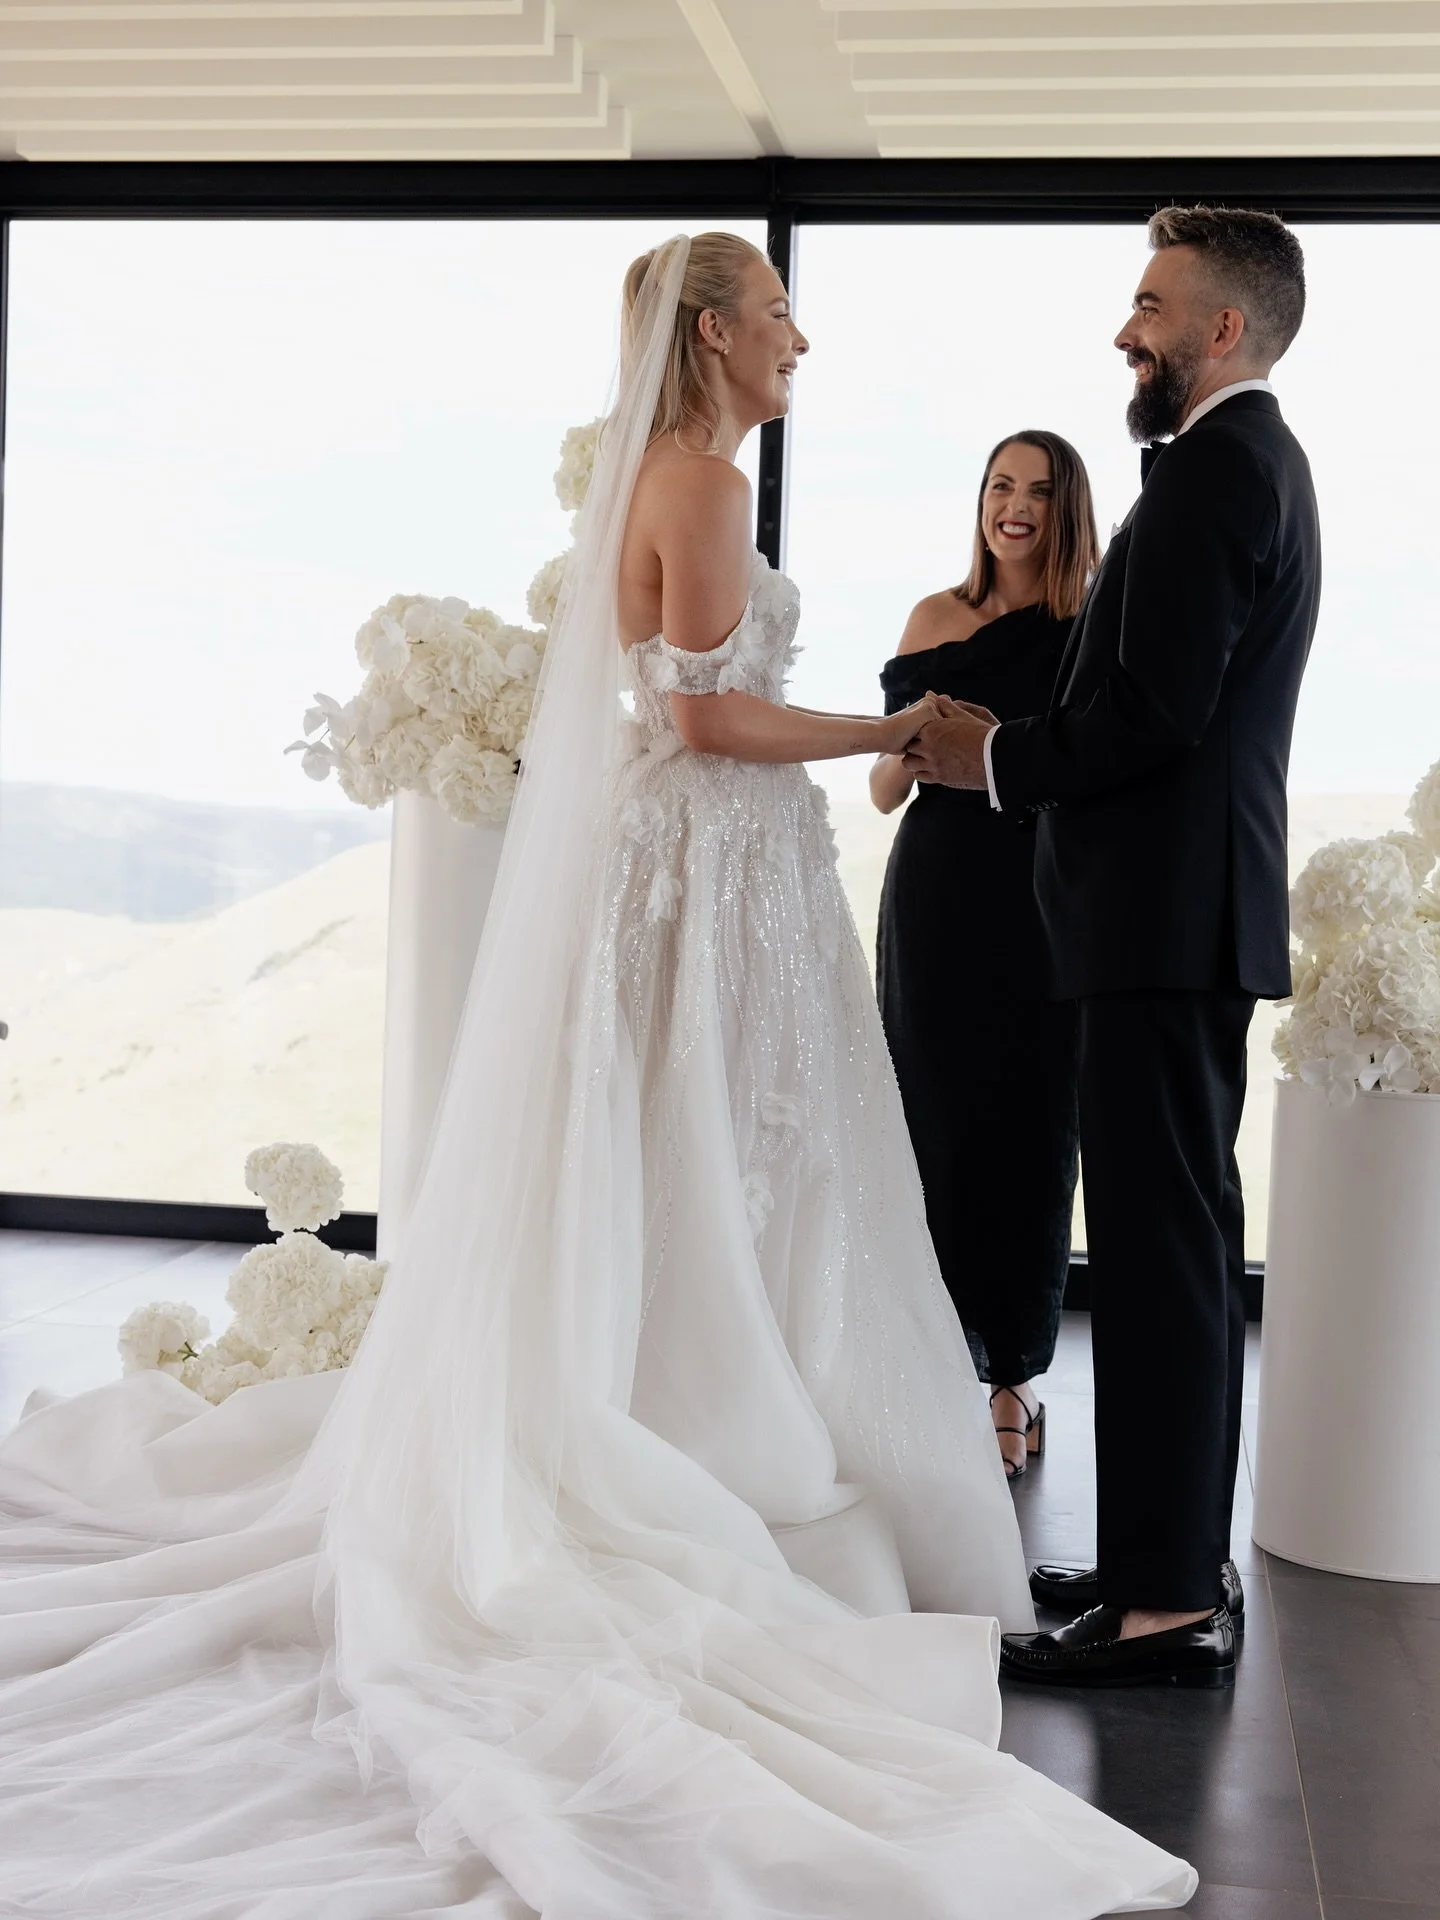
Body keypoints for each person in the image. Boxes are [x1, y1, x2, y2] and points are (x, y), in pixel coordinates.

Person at [0, 233, 1196, 1914]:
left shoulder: (681, 473)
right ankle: (706, 1432)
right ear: (712, 336)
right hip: (707, 857)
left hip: (720, 861)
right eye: (778, 314)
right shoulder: (698, 482)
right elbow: (705, 721)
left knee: (721, 1146)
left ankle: (716, 1400)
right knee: (718, 1146)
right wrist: (883, 734)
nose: (800, 339)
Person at [904, 205, 1320, 1689]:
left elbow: (1155, 714)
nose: (1127, 329)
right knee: (1172, 1260)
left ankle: (1166, 1610)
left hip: (1161, 922)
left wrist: (993, 759)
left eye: (1151, 304)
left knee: (1160, 1267)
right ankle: (1165, 1567)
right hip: (1175, 922)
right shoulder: (1244, 463)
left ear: (1223, 326)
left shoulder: (1219, 470)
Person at [871, 430, 1098, 1481]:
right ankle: (924, 1367)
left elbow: (1093, 769)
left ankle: (1012, 1378)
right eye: (1000, 486)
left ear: (1066, 510)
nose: (1015, 506)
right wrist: (919, 738)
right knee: (930, 1119)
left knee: (1031, 1125)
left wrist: (996, 744)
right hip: (934, 895)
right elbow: (884, 788)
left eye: (1038, 492)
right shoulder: (934, 618)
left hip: (1041, 895)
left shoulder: (1090, 624)